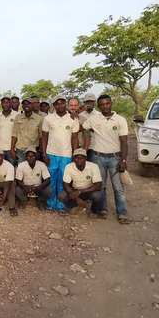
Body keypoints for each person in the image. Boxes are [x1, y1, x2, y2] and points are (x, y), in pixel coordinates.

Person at [82, 94, 130, 224]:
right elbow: (84, 128)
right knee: (100, 186)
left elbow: (124, 142)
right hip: (98, 157)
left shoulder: (120, 120)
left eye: (107, 103)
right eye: (102, 104)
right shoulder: (94, 119)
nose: (105, 106)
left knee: (118, 187)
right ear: (99, 106)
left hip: (115, 157)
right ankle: (102, 210)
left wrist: (123, 160)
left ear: (111, 103)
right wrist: (88, 140)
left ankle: (122, 213)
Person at [41, 95, 79, 211]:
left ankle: (61, 204)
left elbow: (75, 138)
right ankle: (51, 203)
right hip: (51, 154)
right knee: (51, 180)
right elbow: (44, 137)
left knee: (64, 181)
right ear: (54, 105)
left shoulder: (73, 119)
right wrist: (44, 153)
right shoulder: (48, 119)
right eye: (57, 103)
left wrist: (75, 155)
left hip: (66, 155)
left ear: (65, 104)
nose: (60, 105)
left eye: (62, 103)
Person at [60, 148, 103, 215]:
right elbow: (65, 185)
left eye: (82, 158)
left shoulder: (94, 166)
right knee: (62, 195)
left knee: (98, 195)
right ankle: (72, 207)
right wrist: (76, 198)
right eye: (77, 158)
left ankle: (93, 210)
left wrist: (80, 191)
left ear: (86, 158)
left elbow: (98, 185)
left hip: (88, 191)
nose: (79, 160)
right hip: (75, 191)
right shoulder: (69, 167)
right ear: (74, 159)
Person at [0, 97, 18, 164]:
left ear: (10, 104)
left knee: (11, 168)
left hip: (12, 148)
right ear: (1, 104)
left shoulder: (17, 115)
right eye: (4, 103)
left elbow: (19, 132)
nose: (6, 104)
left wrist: (14, 148)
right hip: (0, 148)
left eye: (7, 102)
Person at [79, 93, 98, 159]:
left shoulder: (99, 115)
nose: (89, 103)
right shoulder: (80, 115)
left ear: (94, 103)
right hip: (83, 146)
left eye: (91, 101)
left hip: (95, 147)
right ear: (84, 103)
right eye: (87, 102)